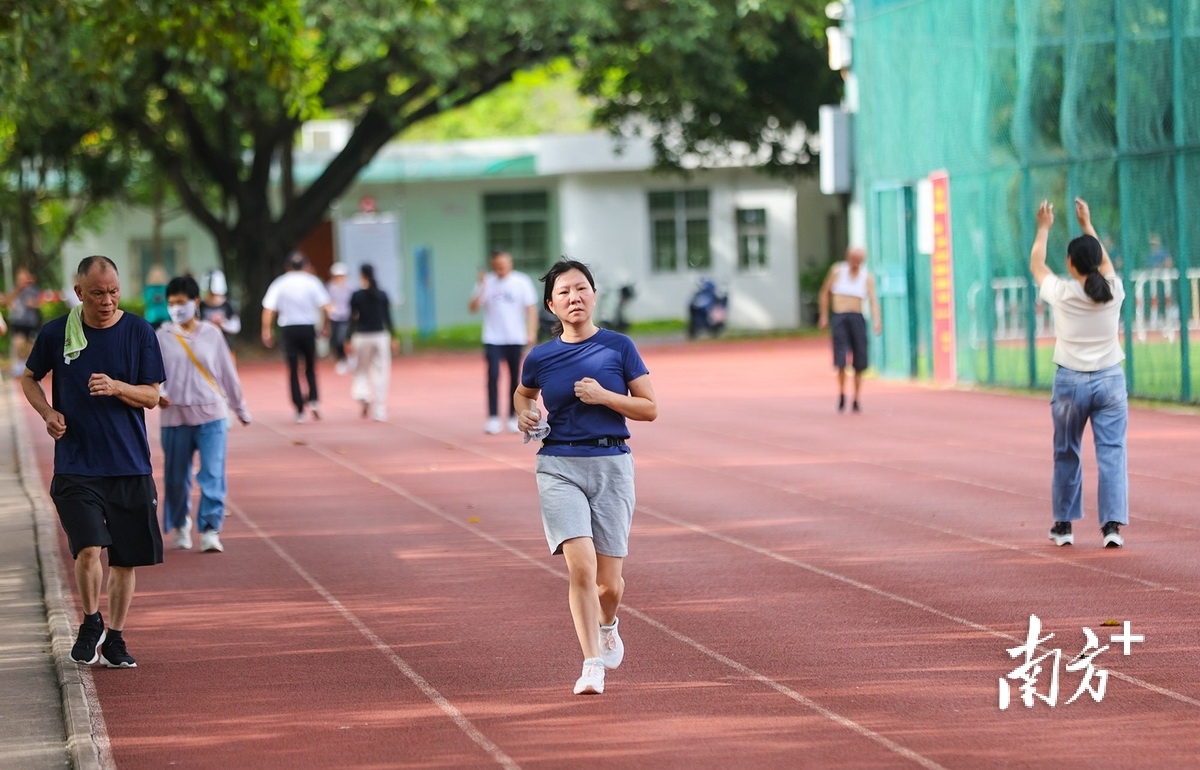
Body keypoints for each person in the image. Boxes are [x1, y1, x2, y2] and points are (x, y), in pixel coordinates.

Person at [513, 259, 658, 696]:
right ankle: (591, 663)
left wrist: (605, 397)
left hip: (611, 464)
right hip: (558, 465)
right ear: (551, 305)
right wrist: (526, 416)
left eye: (581, 289)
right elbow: (524, 397)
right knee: (580, 567)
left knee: (608, 584)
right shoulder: (540, 357)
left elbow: (649, 408)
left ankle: (608, 623)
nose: (574, 298)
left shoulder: (619, 347)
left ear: (594, 295)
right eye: (564, 293)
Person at [21, 255, 165, 668]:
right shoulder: (57, 333)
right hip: (76, 464)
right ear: (79, 291)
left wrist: (119, 386)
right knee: (88, 549)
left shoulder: (139, 332)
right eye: (98, 293)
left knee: (123, 559)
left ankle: (115, 638)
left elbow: (153, 396)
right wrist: (48, 413)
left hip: (129, 465)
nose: (107, 300)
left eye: (114, 292)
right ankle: (90, 620)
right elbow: (29, 377)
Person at [1029, 198, 1128, 549]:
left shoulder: (1063, 292)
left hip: (1071, 382)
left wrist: (1044, 227)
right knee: (1112, 452)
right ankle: (1112, 527)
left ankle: (1064, 526)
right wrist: (1088, 224)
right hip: (1110, 381)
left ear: (1070, 264)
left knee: (1066, 452)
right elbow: (1105, 263)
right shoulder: (1114, 290)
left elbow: (1037, 264)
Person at [156, 275, 252, 554]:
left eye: (182, 302)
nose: (177, 308)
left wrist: (240, 408)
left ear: (196, 302)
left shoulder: (212, 333)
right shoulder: (161, 336)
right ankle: (180, 525)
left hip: (212, 415)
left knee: (212, 473)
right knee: (176, 478)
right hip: (174, 417)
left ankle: (211, 529)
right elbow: (152, 373)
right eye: (172, 303)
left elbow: (226, 373)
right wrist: (157, 394)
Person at [468, 250, 538, 434]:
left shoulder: (521, 281)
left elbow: (531, 309)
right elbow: (473, 308)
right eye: (497, 266)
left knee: (515, 378)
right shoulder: (487, 282)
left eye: (504, 265)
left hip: (515, 337)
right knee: (493, 375)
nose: (501, 269)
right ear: (493, 265)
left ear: (510, 262)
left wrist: (531, 332)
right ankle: (492, 417)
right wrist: (482, 285)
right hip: (493, 338)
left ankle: (512, 416)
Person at [261, 252, 332, 423]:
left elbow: (269, 308)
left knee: (293, 370)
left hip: (289, 329)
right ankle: (313, 399)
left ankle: (299, 408)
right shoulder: (312, 281)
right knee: (310, 366)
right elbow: (326, 306)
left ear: (287, 267)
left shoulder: (280, 283)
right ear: (306, 265)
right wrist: (325, 326)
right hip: (308, 328)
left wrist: (266, 330)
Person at [817, 246, 882, 413]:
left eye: (859, 260)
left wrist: (877, 320)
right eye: (853, 259)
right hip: (840, 317)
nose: (855, 263)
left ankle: (856, 397)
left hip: (857, 318)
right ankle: (841, 393)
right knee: (841, 358)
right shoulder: (838, 271)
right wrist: (824, 315)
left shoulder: (866, 277)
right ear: (847, 258)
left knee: (859, 360)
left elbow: (874, 300)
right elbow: (824, 293)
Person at [348, 263, 398, 421]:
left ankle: (363, 394)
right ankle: (380, 410)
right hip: (380, 336)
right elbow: (388, 318)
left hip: (362, 337)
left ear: (361, 275)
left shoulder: (357, 295)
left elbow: (352, 319)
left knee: (361, 369)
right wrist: (394, 336)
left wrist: (347, 337)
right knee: (381, 373)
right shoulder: (382, 294)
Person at [7, 267, 42, 377]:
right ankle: (19, 365)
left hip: (30, 321)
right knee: (18, 342)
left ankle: (27, 365)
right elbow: (8, 300)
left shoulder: (33, 289)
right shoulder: (15, 290)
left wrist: (33, 303)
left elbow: (40, 302)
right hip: (18, 321)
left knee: (30, 346)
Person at [199, 269, 241, 351]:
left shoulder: (228, 305)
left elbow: (236, 326)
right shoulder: (201, 306)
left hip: (225, 346)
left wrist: (223, 324)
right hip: (206, 346)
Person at [326, 262, 354, 375]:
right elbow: (327, 302)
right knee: (336, 340)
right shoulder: (330, 287)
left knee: (345, 338)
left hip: (347, 317)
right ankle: (341, 359)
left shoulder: (350, 287)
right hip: (335, 317)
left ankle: (349, 357)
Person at [142, 264, 171, 329]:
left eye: (159, 275)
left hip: (165, 318)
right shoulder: (148, 289)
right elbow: (147, 302)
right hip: (152, 318)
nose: (157, 277)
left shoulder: (166, 288)